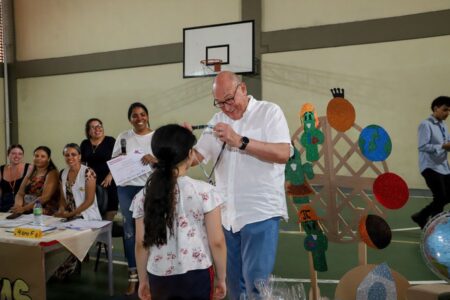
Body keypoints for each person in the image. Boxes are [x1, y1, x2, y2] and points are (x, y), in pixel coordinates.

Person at [189, 71, 291, 299]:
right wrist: (183, 142)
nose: (225, 107)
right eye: (219, 102)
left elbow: (283, 153)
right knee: (233, 286)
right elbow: (196, 157)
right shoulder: (217, 120)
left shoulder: (269, 112)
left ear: (243, 89)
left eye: (229, 99)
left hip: (260, 212)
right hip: (226, 216)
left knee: (256, 285)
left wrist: (240, 141)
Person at [133, 124, 226, 300]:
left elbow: (140, 243)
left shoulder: (143, 196)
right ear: (190, 154)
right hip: (197, 274)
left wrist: (143, 280)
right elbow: (217, 241)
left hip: (158, 275)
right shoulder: (206, 192)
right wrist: (221, 278)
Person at [112, 102, 156, 295]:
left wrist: (153, 159)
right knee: (130, 232)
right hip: (126, 188)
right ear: (129, 118)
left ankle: (152, 274)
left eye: (142, 114)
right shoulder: (123, 137)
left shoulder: (156, 137)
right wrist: (123, 161)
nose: (139, 119)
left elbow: (166, 161)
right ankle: (133, 275)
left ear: (147, 116)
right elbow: (115, 162)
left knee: (152, 231)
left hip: (150, 188)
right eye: (134, 116)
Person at [411, 96, 450, 229]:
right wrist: (442, 146)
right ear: (435, 108)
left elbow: (446, 143)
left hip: (444, 167)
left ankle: (422, 216)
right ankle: (434, 224)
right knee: (440, 197)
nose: (447, 113)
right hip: (430, 166)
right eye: (445, 110)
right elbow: (422, 146)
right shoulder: (425, 124)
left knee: (447, 195)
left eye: (449, 110)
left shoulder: (444, 126)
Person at [80, 118, 118, 220]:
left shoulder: (110, 141)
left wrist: (110, 175)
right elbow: (82, 163)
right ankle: (96, 234)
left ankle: (107, 234)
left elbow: (118, 160)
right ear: (88, 131)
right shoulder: (85, 143)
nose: (97, 129)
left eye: (99, 126)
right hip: (92, 181)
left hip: (109, 180)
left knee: (110, 210)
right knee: (94, 210)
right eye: (93, 127)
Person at [56, 143, 102, 221]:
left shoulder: (88, 172)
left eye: (73, 154)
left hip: (87, 216)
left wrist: (71, 214)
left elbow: (89, 201)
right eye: (67, 155)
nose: (70, 157)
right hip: (70, 216)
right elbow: (63, 199)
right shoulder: (62, 173)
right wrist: (61, 210)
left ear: (79, 156)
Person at [11, 146, 59, 215]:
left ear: (48, 159)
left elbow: (45, 197)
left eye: (43, 156)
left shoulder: (52, 173)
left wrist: (24, 209)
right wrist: (18, 206)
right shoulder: (31, 171)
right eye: (36, 156)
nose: (39, 158)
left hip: (43, 210)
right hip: (25, 209)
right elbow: (20, 193)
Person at [0, 144, 31, 212]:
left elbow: (30, 191)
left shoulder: (29, 167)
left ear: (22, 156)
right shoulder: (1, 169)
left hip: (22, 206)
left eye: (20, 154)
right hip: (3, 206)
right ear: (8, 155)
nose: (17, 156)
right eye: (13, 153)